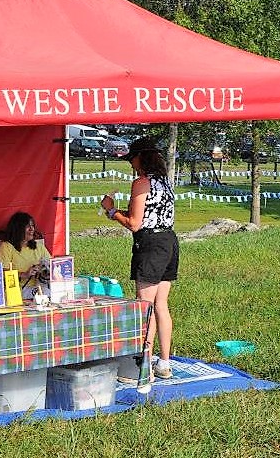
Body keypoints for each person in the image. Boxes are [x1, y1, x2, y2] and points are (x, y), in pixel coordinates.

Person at [100, 137, 178, 380]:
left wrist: (111, 211)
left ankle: (143, 366)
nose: (131, 165)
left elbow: (135, 224)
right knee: (161, 305)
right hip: (169, 241)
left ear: (140, 158)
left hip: (150, 245)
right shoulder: (165, 182)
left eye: (132, 159)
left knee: (144, 306)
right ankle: (164, 363)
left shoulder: (141, 183)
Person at [0, 211, 51, 299]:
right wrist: (24, 274)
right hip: (18, 291)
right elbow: (1, 274)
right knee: (46, 294)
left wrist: (44, 272)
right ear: (18, 229)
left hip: (40, 286)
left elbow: (52, 265)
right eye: (28, 226)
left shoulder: (38, 246)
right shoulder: (6, 247)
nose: (32, 229)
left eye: (33, 226)